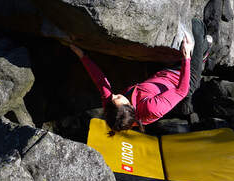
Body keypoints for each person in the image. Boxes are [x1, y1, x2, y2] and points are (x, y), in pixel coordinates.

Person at [69, 18, 211, 135]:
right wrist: (186, 58)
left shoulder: (113, 108)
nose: (113, 96)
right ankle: (204, 53)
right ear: (129, 107)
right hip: (184, 80)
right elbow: (181, 91)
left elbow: (100, 82)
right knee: (196, 28)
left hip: (162, 75)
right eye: (117, 98)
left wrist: (82, 55)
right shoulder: (151, 108)